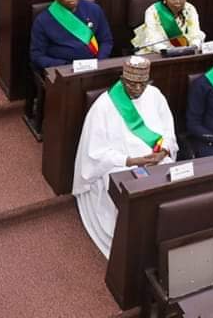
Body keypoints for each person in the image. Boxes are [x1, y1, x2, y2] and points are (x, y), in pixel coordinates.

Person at [73, 56, 177, 257]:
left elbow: (169, 132)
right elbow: (96, 154)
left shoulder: (155, 96)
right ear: (122, 79)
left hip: (155, 159)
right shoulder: (104, 105)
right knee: (126, 185)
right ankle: (128, 239)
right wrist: (133, 161)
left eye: (141, 84)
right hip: (120, 164)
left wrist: (163, 152)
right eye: (131, 84)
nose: (137, 89)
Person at [29, 0, 112, 71]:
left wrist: (100, 62)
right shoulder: (43, 20)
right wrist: (66, 66)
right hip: (64, 71)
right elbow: (37, 56)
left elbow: (106, 41)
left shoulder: (94, 9)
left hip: (95, 66)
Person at [132, 0, 205, 53]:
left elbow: (195, 33)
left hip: (185, 51)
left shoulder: (190, 8)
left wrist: (194, 46)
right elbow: (152, 39)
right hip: (156, 53)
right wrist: (168, 51)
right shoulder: (153, 11)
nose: (178, 2)